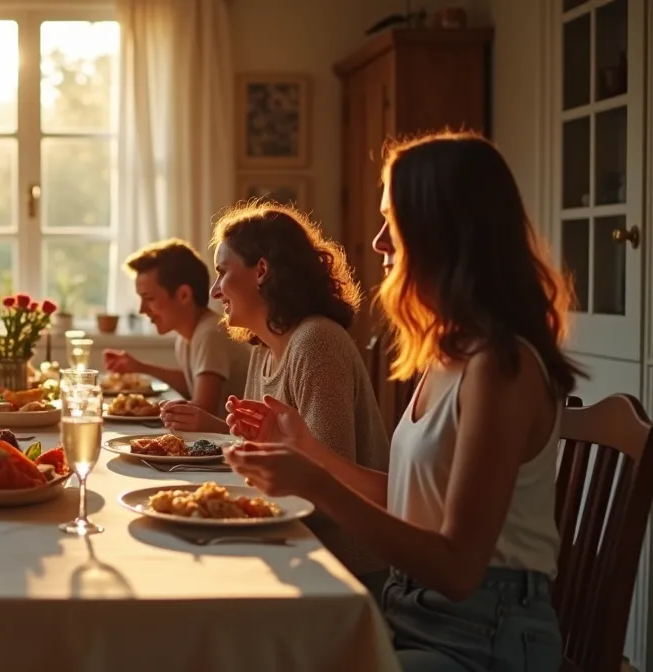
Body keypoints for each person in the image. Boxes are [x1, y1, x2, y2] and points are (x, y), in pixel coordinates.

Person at [225, 131, 577, 671]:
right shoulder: (449, 355)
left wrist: (317, 484)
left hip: (481, 639)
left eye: (393, 220)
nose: (377, 242)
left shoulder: (501, 367)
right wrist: (310, 451)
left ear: (443, 230)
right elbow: (410, 499)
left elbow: (458, 569)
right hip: (412, 614)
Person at [163, 202, 391, 594]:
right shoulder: (265, 348)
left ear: (261, 271)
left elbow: (327, 488)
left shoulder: (316, 343)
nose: (215, 291)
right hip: (294, 541)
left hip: (340, 564)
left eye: (223, 272)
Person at [102, 239, 250, 416]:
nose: (141, 310)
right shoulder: (188, 336)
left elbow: (203, 409)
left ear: (184, 295)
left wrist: (148, 408)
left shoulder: (210, 334)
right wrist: (139, 367)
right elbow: (191, 384)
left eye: (149, 298)